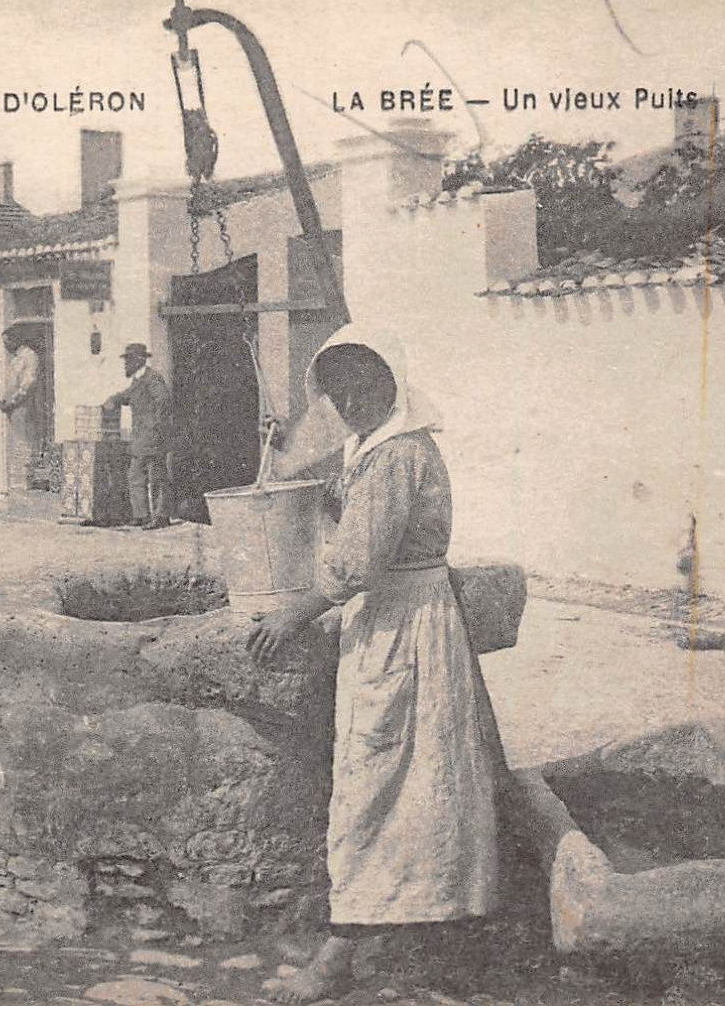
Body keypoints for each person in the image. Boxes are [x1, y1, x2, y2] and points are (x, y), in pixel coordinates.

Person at [246, 323, 508, 1003]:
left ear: (388, 385)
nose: (350, 406)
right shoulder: (377, 444)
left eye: (360, 392)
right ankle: (428, 932)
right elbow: (343, 504)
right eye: (338, 396)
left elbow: (358, 559)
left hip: (403, 625)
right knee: (417, 778)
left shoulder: (397, 454)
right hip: (401, 621)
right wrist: (281, 447)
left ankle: (340, 952)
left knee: (376, 780)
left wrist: (293, 613)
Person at [103, 342, 171, 529]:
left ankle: (161, 516)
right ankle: (141, 515)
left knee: (156, 477)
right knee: (135, 476)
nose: (125, 365)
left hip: (153, 437)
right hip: (140, 439)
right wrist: (114, 399)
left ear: (139, 361)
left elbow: (163, 401)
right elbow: (128, 395)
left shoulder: (152, 379)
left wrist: (155, 425)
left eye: (129, 360)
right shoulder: (137, 381)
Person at [0, 325, 43, 490]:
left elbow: (28, 383)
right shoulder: (15, 358)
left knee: (24, 442)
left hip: (24, 406)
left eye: (7, 342)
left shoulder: (29, 356)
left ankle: (26, 482)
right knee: (16, 442)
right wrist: (4, 400)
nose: (5, 346)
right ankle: (17, 481)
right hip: (13, 408)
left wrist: (14, 400)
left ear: (16, 340)